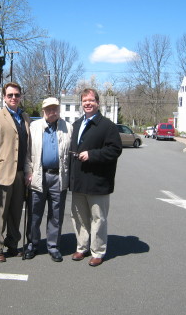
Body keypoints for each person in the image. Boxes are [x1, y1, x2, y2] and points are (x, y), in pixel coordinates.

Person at [69, 88, 122, 267]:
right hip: (78, 181)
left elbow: (115, 150)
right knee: (79, 217)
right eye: (84, 100)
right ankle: (81, 247)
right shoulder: (76, 124)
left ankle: (98, 251)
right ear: (81, 103)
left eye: (91, 100)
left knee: (98, 219)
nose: (88, 103)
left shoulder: (107, 126)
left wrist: (92, 154)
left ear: (97, 103)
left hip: (98, 181)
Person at [0, 82, 31, 263]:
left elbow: (28, 145)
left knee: (15, 213)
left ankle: (12, 244)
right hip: (1, 173)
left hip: (19, 174)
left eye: (17, 95)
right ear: (4, 97)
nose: (13, 98)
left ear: (20, 97)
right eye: (10, 95)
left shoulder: (25, 117)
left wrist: (28, 171)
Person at [24, 97, 73, 262]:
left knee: (56, 215)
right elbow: (27, 153)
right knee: (34, 213)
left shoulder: (68, 127)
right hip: (38, 175)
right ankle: (32, 245)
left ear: (59, 110)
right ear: (43, 110)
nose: (53, 112)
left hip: (58, 177)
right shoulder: (34, 127)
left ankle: (53, 247)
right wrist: (27, 172)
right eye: (49, 109)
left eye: (55, 109)